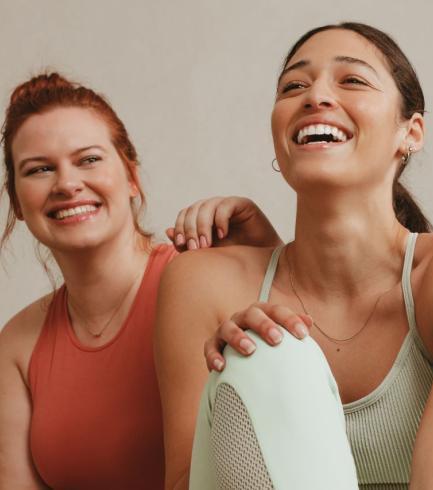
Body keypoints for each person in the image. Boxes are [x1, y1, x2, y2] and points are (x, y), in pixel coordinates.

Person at [156, 22, 433, 489]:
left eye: (352, 80)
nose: (315, 97)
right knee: (264, 353)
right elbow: (188, 482)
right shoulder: (201, 282)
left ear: (410, 132)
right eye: (294, 86)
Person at [0, 73, 281, 489]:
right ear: (18, 203)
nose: (67, 184)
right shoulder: (17, 344)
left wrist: (267, 250)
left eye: (88, 159)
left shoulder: (201, 279)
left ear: (131, 176)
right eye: (40, 169)